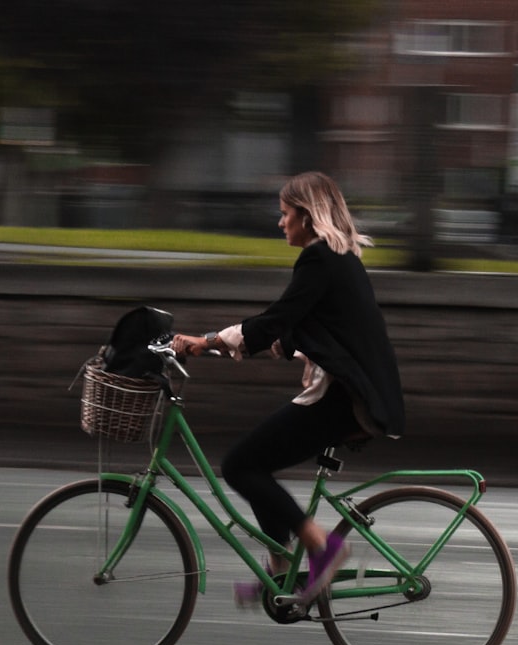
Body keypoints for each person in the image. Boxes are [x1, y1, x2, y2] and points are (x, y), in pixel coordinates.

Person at [172, 171, 404, 605]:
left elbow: (276, 320)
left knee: (242, 464)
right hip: (348, 395)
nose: (280, 223)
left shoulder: (320, 260)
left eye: (284, 214)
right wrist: (219, 346)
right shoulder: (340, 259)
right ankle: (281, 574)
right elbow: (295, 333)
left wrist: (206, 340)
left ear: (307, 216)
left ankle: (322, 547)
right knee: (256, 462)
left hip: (341, 400)